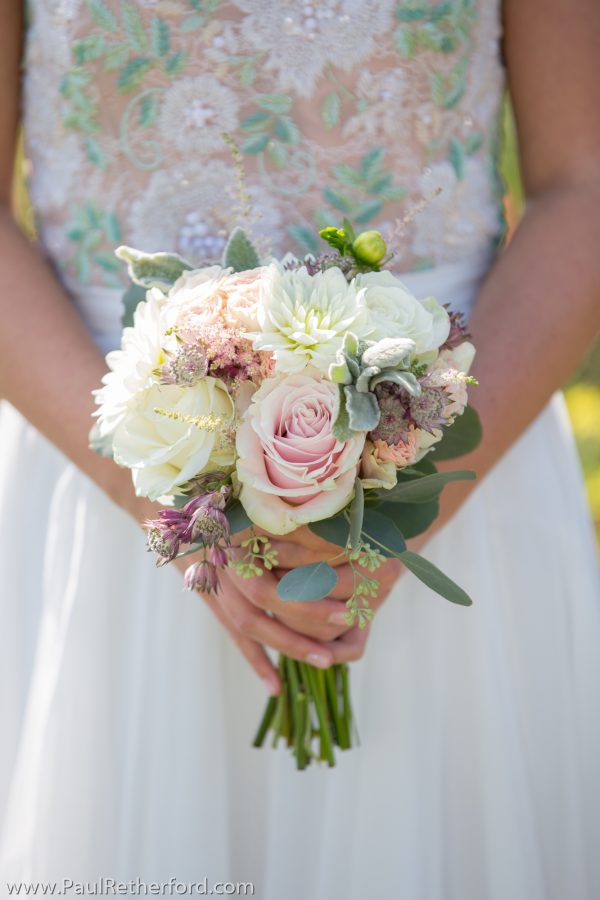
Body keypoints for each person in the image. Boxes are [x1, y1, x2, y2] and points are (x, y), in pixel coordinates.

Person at [0, 1, 599, 896]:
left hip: (464, 441)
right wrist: (178, 502)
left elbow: (583, 183)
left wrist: (407, 488)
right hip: (101, 456)